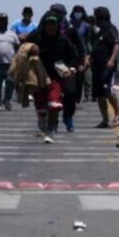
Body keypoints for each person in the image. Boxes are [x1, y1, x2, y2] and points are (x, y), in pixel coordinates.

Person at [27, 13, 78, 143]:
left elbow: (73, 56)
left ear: (57, 25)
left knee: (54, 104)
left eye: (54, 24)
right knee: (42, 108)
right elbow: (23, 51)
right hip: (38, 77)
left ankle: (50, 131)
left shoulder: (64, 40)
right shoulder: (36, 37)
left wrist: (71, 69)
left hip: (56, 77)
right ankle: (42, 119)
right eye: (49, 24)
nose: (51, 27)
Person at [89, 7, 119, 128]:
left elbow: (117, 45)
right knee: (100, 94)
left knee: (108, 90)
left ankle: (118, 113)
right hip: (97, 66)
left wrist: (112, 59)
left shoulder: (111, 29)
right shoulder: (97, 31)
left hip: (107, 66)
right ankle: (105, 120)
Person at [61, 6, 87, 131]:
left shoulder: (70, 30)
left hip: (69, 66)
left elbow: (80, 47)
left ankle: (68, 117)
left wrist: (81, 63)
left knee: (70, 95)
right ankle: (51, 122)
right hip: (51, 66)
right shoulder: (44, 29)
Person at [69, 6, 91, 105]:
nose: (78, 13)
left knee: (81, 76)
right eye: (76, 11)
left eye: (80, 12)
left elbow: (87, 42)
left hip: (82, 53)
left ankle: (78, 99)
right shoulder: (69, 24)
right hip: (70, 52)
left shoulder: (86, 26)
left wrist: (87, 56)